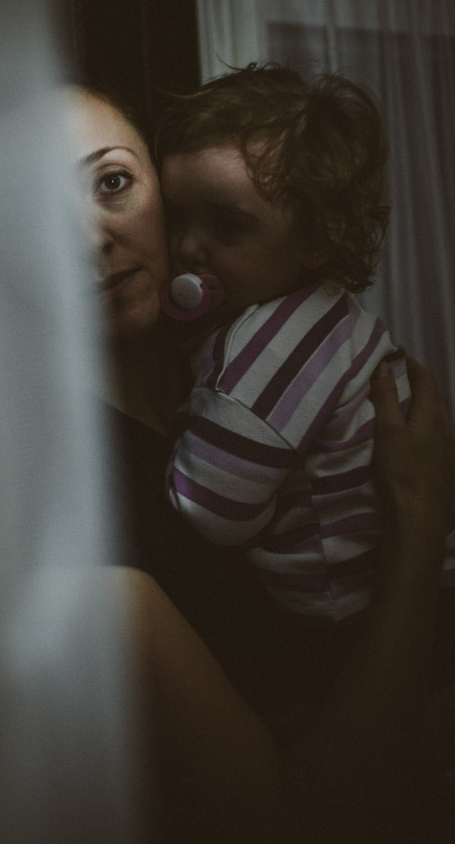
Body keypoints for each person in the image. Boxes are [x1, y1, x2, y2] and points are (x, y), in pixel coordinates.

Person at [68, 79, 455, 843]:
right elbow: (297, 821)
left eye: (112, 183)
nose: (89, 238)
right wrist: (419, 523)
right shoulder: (84, 496)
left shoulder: (229, 358)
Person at [154, 63, 455, 624]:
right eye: (177, 218)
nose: (187, 247)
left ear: (316, 237)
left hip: (348, 614)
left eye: (227, 226)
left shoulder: (272, 345)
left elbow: (214, 511)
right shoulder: (324, 316)